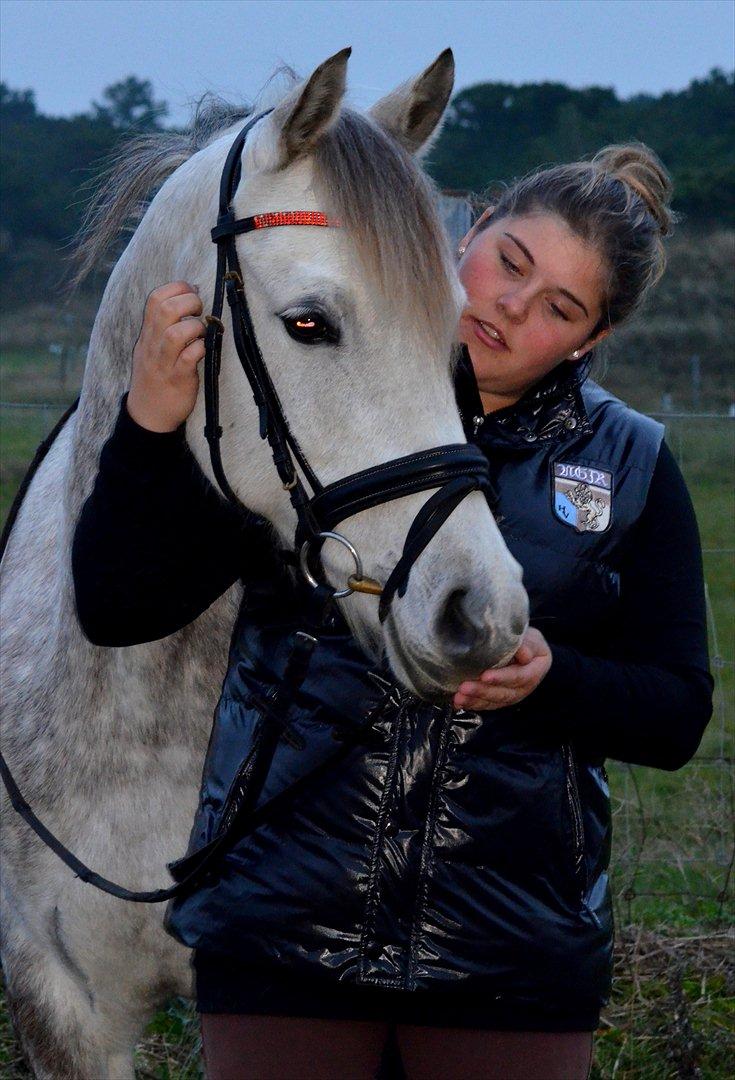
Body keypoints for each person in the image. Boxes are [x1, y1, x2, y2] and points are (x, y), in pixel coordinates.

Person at [72, 142, 713, 1080]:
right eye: (511, 262)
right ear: (467, 233)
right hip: (281, 934)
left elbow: (675, 711)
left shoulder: (629, 465)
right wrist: (148, 426)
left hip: (509, 953)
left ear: (588, 342)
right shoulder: (319, 404)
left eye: (559, 308)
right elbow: (120, 606)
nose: (508, 306)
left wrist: (550, 680)